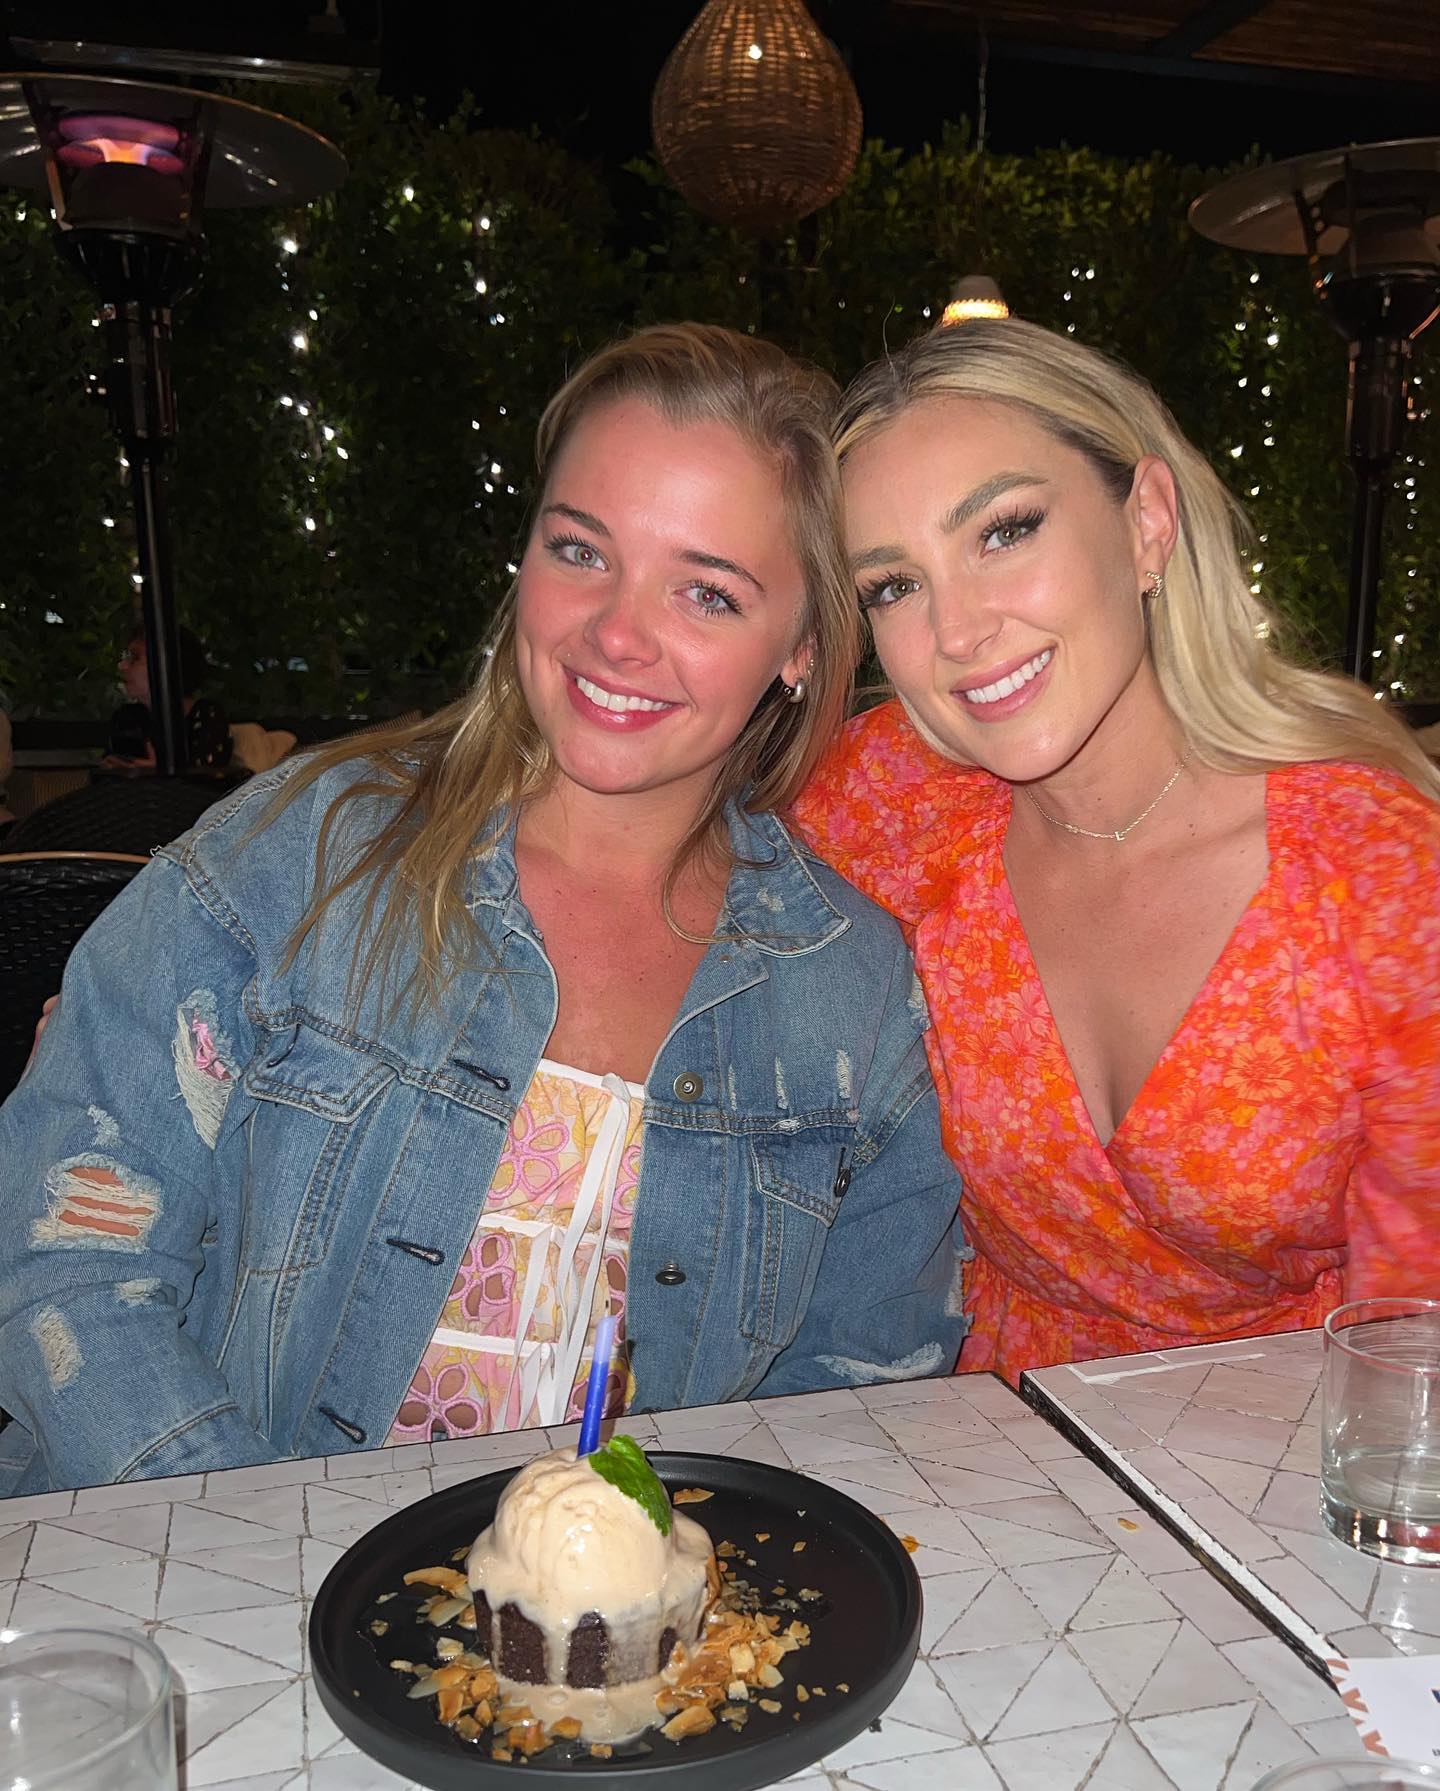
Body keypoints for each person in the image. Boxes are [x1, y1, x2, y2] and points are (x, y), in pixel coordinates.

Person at [0, 323, 967, 1495]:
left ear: (802, 647)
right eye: (581, 550)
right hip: (219, 1570)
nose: (616, 632)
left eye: (707, 593)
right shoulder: (300, 855)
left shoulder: (849, 989)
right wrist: (280, 1560)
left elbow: (866, 1389)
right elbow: (64, 1265)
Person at [793, 316, 1440, 1385]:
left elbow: (1417, 1346)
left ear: (1146, 523)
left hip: (1295, 1444)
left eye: (1004, 531)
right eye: (894, 586)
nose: (958, 632)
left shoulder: (1377, 872)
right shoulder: (893, 801)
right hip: (975, 1444)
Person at [107, 622, 233, 771]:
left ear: (168, 666)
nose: (122, 666)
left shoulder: (207, 716)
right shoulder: (127, 718)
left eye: (134, 658)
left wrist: (157, 771)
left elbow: (208, 776)